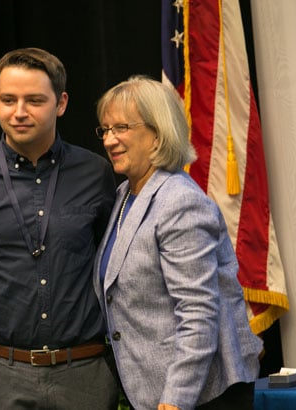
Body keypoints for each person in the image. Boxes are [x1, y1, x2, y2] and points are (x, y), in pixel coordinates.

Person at [0, 48, 118, 410]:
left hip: (84, 377)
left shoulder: (96, 174)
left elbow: (117, 275)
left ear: (60, 103)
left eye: (34, 100)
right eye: (7, 99)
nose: (19, 112)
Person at [93, 75, 263, 410]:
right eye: (105, 130)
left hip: (200, 396)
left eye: (121, 128)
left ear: (156, 134)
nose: (110, 140)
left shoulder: (179, 202)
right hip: (154, 389)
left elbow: (199, 312)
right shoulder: (125, 195)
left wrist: (175, 399)